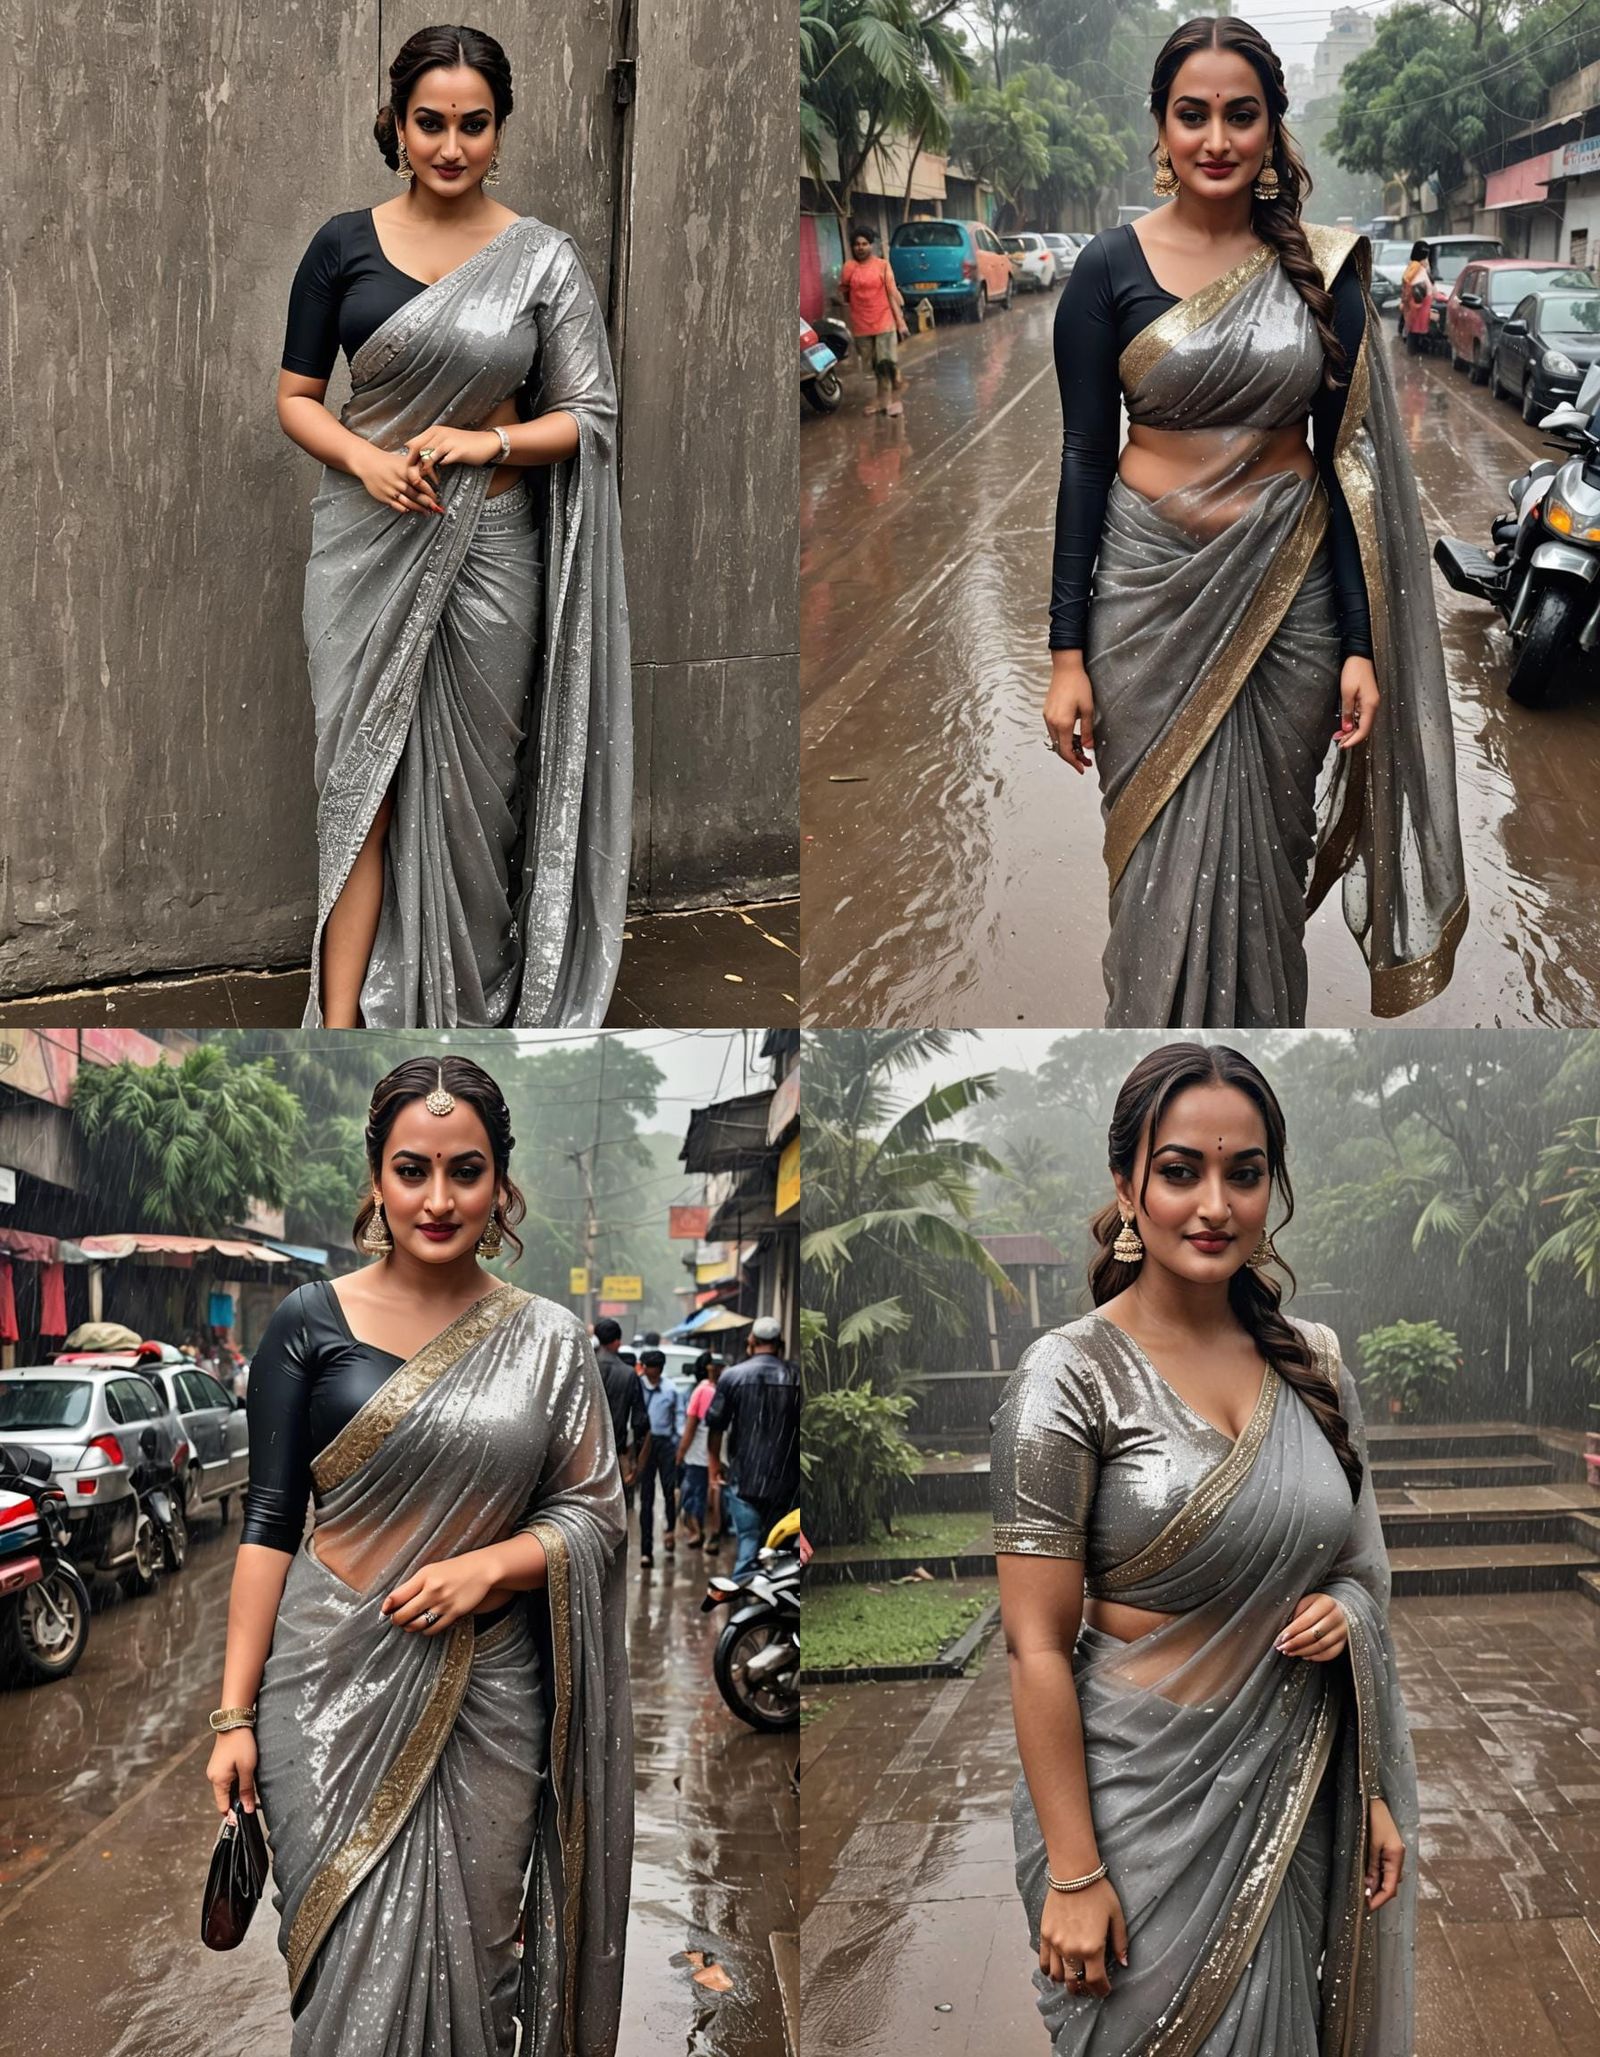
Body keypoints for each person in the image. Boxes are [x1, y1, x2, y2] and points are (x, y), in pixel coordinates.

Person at [1042, 15, 1466, 1028]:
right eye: (1193, 115)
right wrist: (1066, 651)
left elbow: (1346, 469)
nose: (1217, 138)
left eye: (1242, 114)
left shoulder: (1324, 272)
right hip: (1144, 603)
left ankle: (1254, 1035)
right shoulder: (1106, 268)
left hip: (1290, 604)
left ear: (1274, 127)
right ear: (1160, 127)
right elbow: (1083, 458)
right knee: (1151, 863)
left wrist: (1359, 645)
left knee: (1266, 861)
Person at [991, 1042, 1415, 2053]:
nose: (1214, 1202)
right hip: (1136, 1820)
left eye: (1246, 1170)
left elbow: (1360, 1573)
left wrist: (1373, 1789)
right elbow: (1035, 1647)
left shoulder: (1311, 1362)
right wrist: (1073, 1869)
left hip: (1301, 1790)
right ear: (1126, 1183)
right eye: (1180, 1170)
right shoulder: (1069, 1377)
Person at [205, 1055, 632, 2056]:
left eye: (466, 1170)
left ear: (502, 1183)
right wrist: (231, 1715)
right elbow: (268, 1524)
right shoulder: (307, 1323)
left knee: (478, 1960)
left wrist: (491, 1566)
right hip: (322, 1689)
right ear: (376, 1178)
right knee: (342, 1958)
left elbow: (596, 1516)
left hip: (489, 1690)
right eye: (412, 1169)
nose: (438, 1199)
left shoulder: (551, 1340)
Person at [277, 25, 631, 1029]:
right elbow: (298, 396)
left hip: (493, 552)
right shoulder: (341, 245)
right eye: (430, 122)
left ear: (499, 132)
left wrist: (489, 445)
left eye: (473, 125)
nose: (450, 145)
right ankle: (340, 1025)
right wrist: (366, 458)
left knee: (479, 798)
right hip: (362, 547)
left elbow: (590, 417)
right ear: (397, 123)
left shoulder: (542, 260)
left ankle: (464, 1007)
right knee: (358, 789)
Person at [705, 1318, 801, 1576]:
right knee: (779, 1554)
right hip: (786, 1481)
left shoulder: (732, 1376)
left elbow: (716, 1427)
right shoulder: (796, 1376)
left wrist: (714, 1466)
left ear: (752, 1341)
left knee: (747, 1546)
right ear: (780, 1344)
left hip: (743, 1479)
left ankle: (743, 1608)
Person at [837, 227, 910, 417]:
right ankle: (894, 386)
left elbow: (892, 293)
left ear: (871, 245)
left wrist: (900, 322)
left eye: (864, 244)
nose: (860, 248)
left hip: (884, 321)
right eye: (857, 245)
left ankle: (889, 401)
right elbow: (845, 294)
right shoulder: (848, 268)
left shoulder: (882, 265)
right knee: (873, 364)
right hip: (861, 324)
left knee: (885, 363)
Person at [636, 1348, 686, 1568]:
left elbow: (679, 1417)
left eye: (653, 1369)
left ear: (660, 1369)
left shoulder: (671, 1389)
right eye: (647, 1368)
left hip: (665, 1444)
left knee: (668, 1491)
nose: (649, 1373)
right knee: (646, 1497)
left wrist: (678, 1446)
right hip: (645, 1445)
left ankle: (669, 1530)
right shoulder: (637, 1387)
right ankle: (646, 1550)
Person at [593, 1314, 650, 1508]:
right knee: (616, 1511)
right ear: (618, 1342)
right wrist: (635, 1461)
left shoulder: (584, 1367)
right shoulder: (628, 1374)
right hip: (614, 1452)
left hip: (582, 1455)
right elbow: (639, 1421)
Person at [675, 1351, 723, 1550]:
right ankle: (712, 1534)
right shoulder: (718, 1390)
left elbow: (691, 1427)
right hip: (713, 1454)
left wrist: (680, 1453)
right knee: (710, 1494)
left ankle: (697, 1532)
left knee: (692, 1495)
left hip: (698, 1455)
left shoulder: (701, 1391)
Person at [1401, 240, 1434, 354]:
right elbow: (1413, 282)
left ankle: (1414, 353)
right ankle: (1415, 353)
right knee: (1416, 330)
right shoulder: (1417, 267)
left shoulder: (1415, 266)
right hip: (1419, 303)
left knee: (1413, 328)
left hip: (1417, 303)